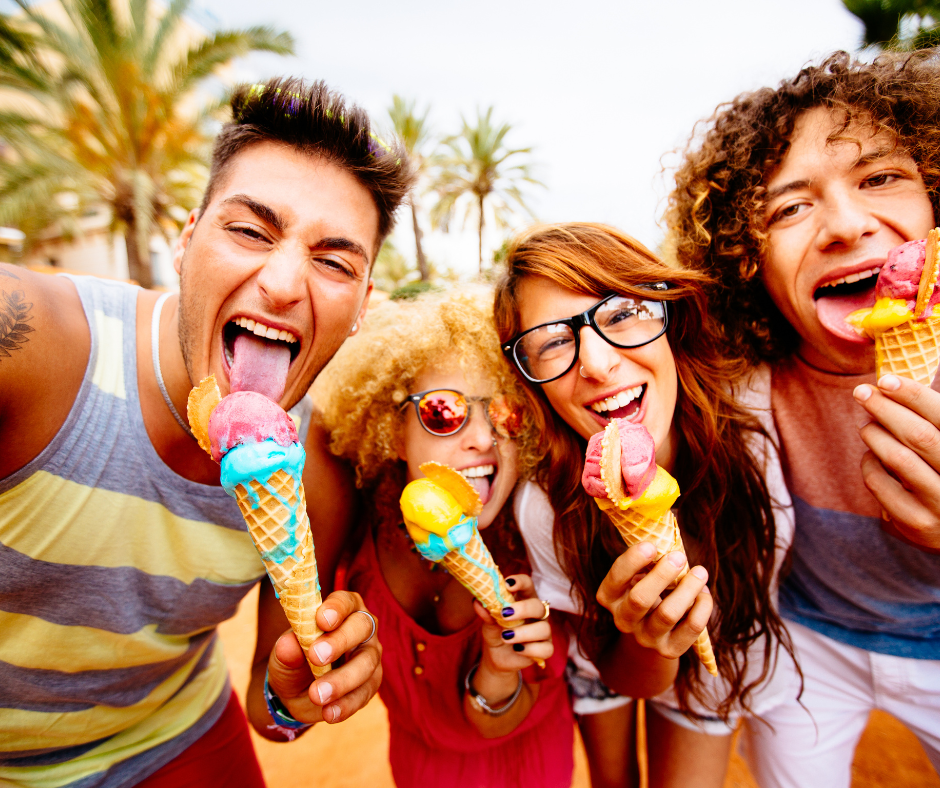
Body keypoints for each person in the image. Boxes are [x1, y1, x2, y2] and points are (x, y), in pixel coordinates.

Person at [0, 77, 411, 788]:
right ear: (187, 240)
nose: (283, 283)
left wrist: (302, 692)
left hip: (168, 732)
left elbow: (270, 711)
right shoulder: (32, 345)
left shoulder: (319, 474)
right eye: (250, 231)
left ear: (363, 305)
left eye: (334, 261)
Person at [665, 50, 940, 786]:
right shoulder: (731, 381)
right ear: (745, 260)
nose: (846, 225)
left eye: (882, 177)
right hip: (809, 640)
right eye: (789, 207)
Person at [493, 222, 798, 788]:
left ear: (669, 319)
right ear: (533, 382)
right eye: (553, 342)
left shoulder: (756, 428)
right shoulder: (544, 508)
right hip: (604, 666)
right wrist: (644, 638)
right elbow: (624, 674)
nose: (599, 364)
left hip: (722, 669)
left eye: (622, 312)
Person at [311, 289, 575, 788]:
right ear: (394, 428)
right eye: (442, 411)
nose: (480, 437)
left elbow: (505, 717)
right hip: (416, 771)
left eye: (504, 412)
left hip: (527, 768)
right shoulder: (360, 521)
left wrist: (501, 670)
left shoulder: (537, 538)